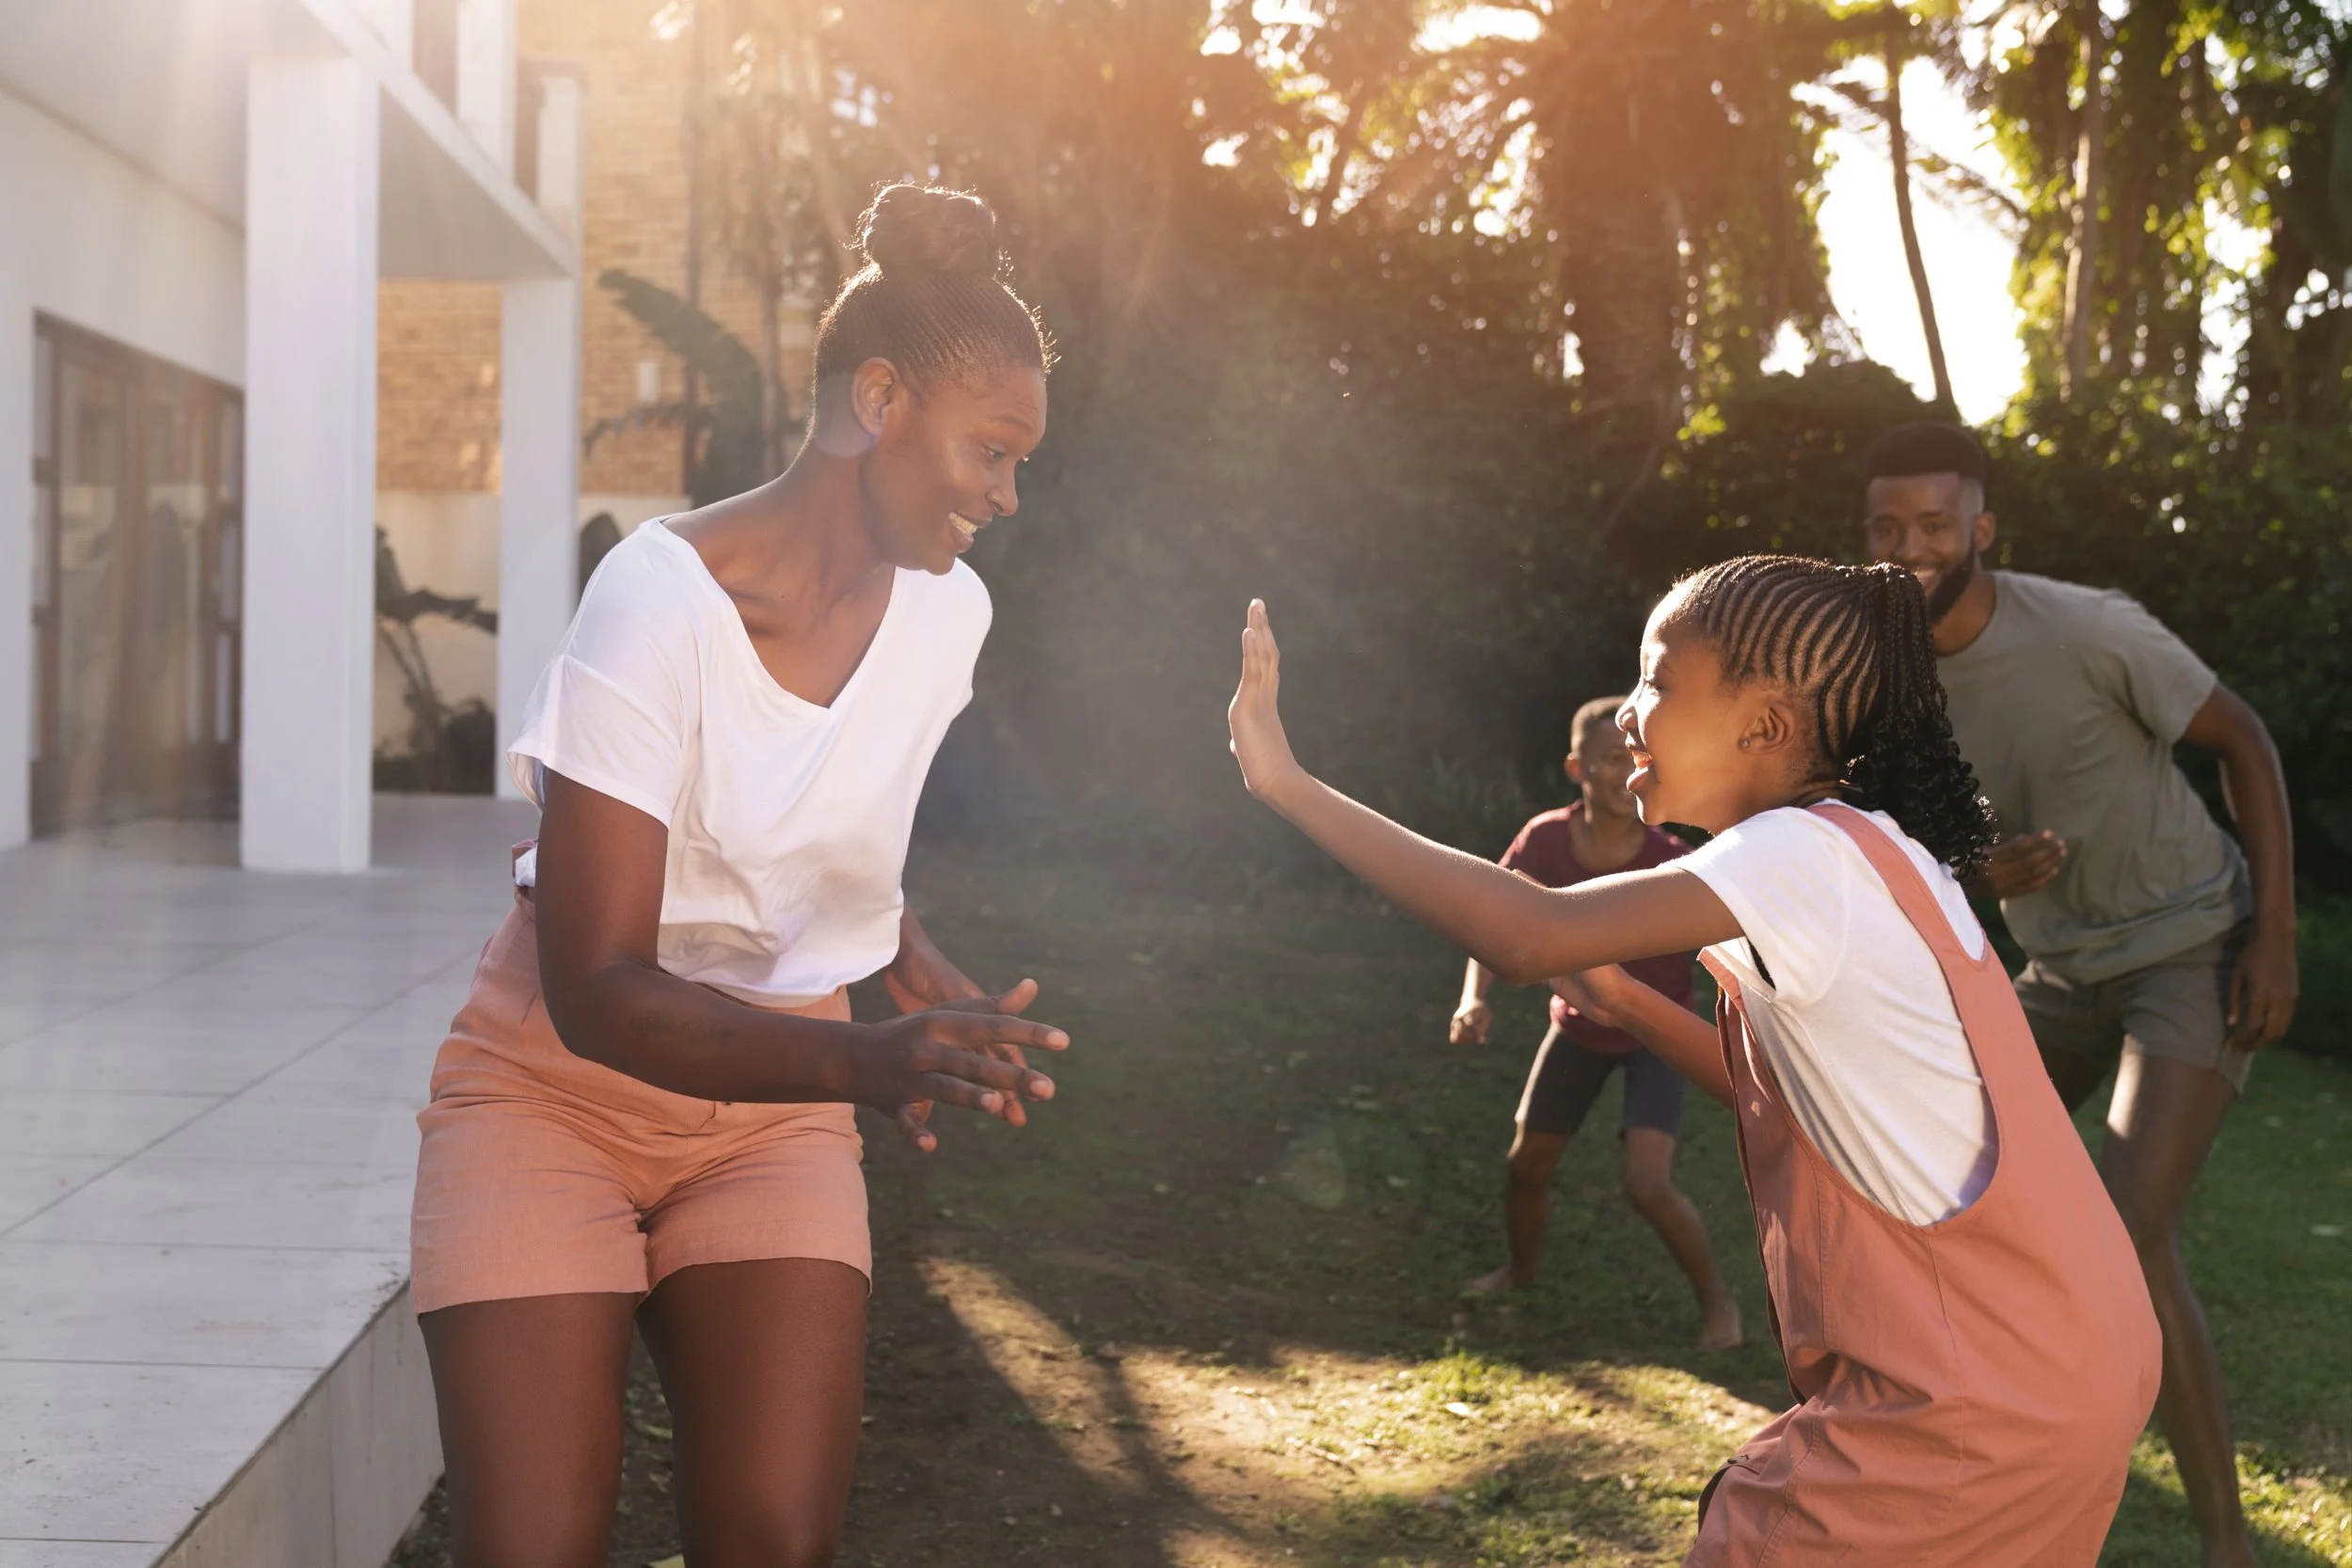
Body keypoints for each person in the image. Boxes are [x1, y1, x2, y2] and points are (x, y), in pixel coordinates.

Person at [1226, 557, 2160, 1564]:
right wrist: (1625, 996)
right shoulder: (1883, 855)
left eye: (1656, 683)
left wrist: (1286, 781)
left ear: (1762, 725)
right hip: (2079, 1356)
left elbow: (1524, 931)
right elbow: (1790, 1098)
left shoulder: (1795, 857)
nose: (1629, 713)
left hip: (1970, 1395)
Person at [407, 184, 1068, 1568]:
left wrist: (890, 937)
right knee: (533, 1547)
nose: (1008, 496)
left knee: (773, 1540)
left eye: (1021, 463)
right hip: (554, 1090)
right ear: (881, 397)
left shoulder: (952, 612)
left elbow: (809, 802)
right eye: (993, 450)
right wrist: (871, 1064)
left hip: (769, 1118)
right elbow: (595, 985)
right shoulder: (659, 598)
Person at [1862, 422, 2297, 1568]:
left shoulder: (2091, 626)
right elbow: (1905, 852)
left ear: (1981, 529)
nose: (1911, 546)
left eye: (1934, 524)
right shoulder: (1888, 681)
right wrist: (1977, 872)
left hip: (2186, 942)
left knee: (2127, 1221)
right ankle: (1961, 1458)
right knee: (1925, 1183)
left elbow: (2244, 739)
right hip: (2052, 969)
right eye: (1888, 527)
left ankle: (2224, 1540)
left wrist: (2277, 937)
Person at [1449, 697, 1741, 1349]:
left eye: (1634, 758)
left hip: (1654, 1038)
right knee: (1526, 1163)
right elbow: (1492, 918)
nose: (1623, 772)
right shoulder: (1547, 839)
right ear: (1577, 767)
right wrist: (1475, 997)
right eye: (1610, 758)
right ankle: (1521, 1272)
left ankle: (1719, 1302)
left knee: (1647, 1182)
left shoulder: (1671, 856)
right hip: (1579, 1029)